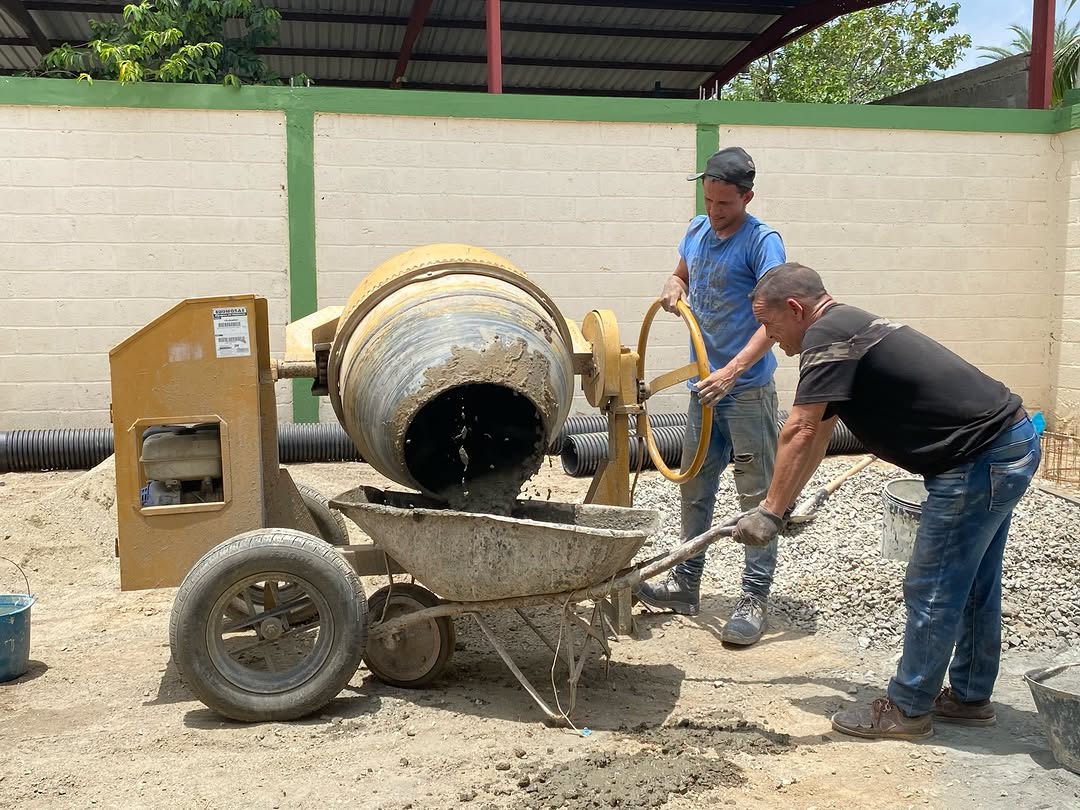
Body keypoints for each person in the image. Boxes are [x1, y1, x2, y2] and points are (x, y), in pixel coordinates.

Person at [734, 262, 1041, 740]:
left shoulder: (826, 337)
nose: (769, 338)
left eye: (769, 325)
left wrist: (769, 512)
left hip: (976, 460)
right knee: (973, 581)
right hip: (1006, 443)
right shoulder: (847, 327)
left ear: (795, 309)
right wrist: (782, 504)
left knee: (932, 585)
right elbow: (819, 434)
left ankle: (908, 710)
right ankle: (969, 698)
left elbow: (801, 428)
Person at [634, 146, 786, 646]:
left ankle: (754, 597)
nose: (715, 211)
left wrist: (733, 371)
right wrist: (673, 284)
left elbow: (775, 320)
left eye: (725, 203)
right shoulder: (698, 230)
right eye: (709, 200)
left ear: (747, 197)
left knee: (756, 497)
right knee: (695, 487)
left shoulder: (762, 243)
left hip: (745, 390)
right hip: (703, 387)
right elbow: (681, 272)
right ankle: (686, 583)